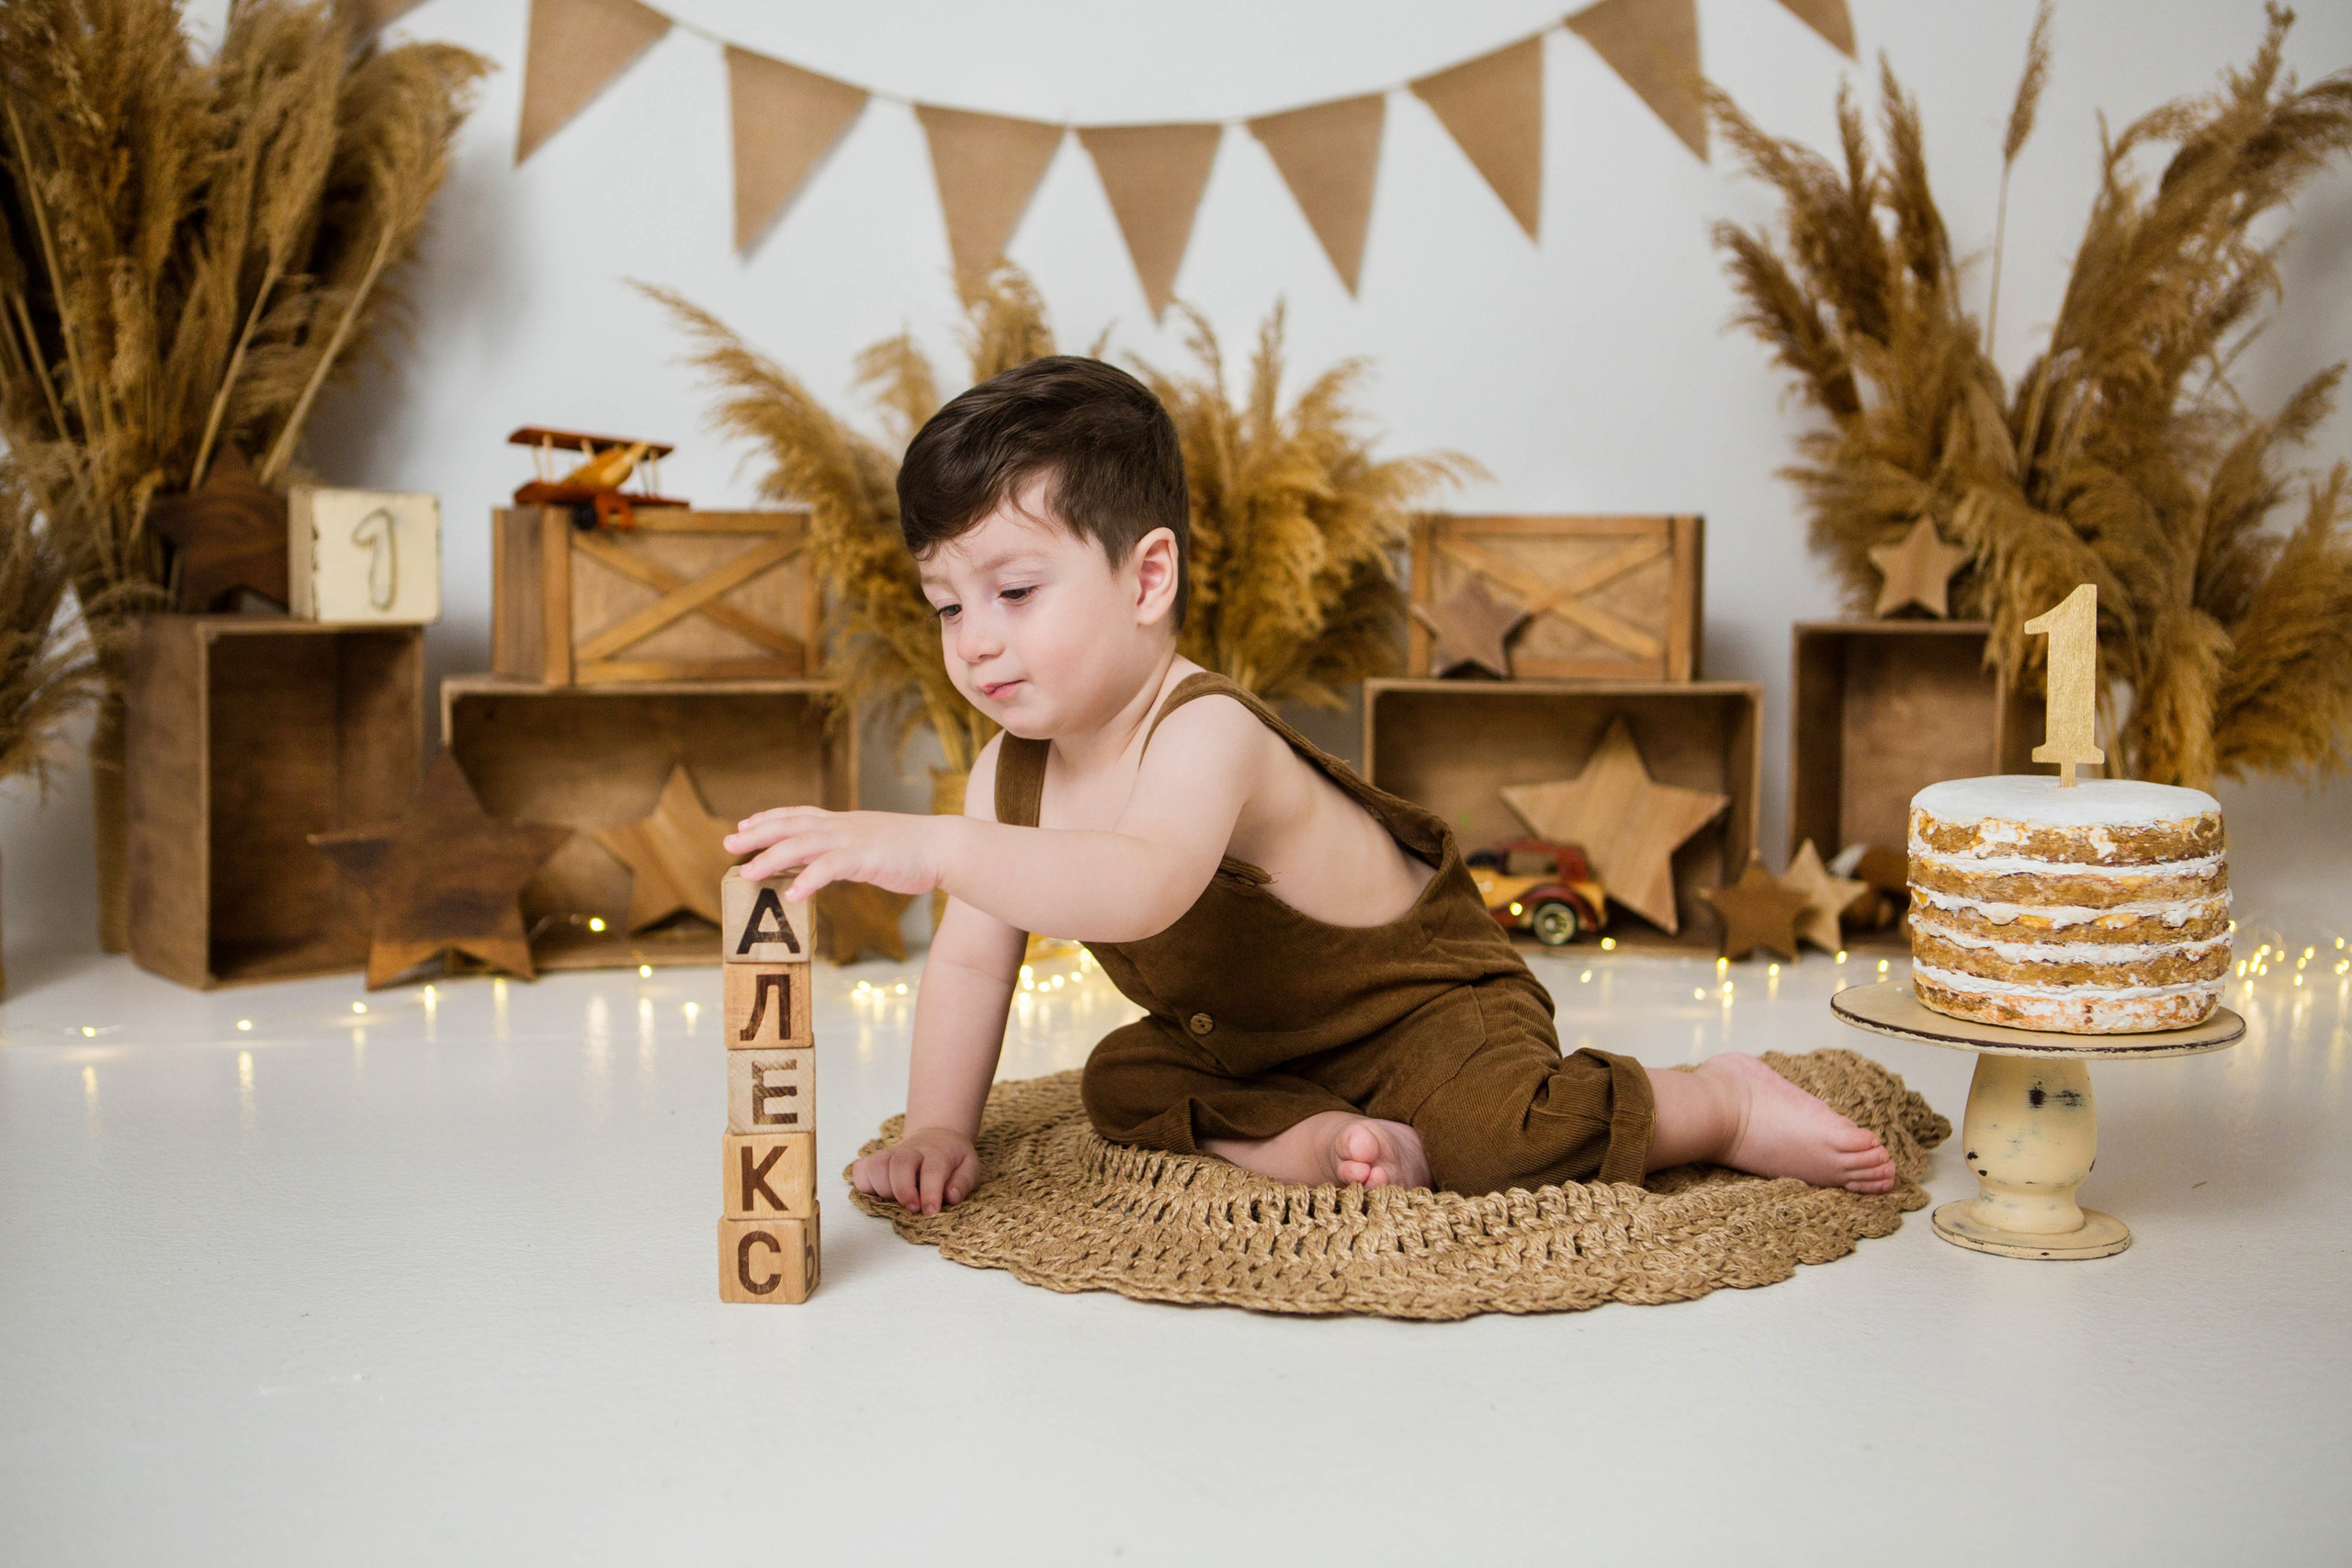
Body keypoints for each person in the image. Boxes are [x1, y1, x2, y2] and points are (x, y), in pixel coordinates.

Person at [726, 356, 1894, 1214]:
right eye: (946, 606)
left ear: (1147, 579)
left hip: (1423, 1013)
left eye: (1015, 592)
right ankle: (1314, 1144)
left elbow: (1139, 885)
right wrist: (941, 1125)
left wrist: (929, 847)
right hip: (1250, 1046)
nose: (974, 639)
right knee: (1120, 1081)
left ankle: (1720, 1101)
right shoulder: (1007, 773)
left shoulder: (1205, 730)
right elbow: (974, 962)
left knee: (1501, 1139)